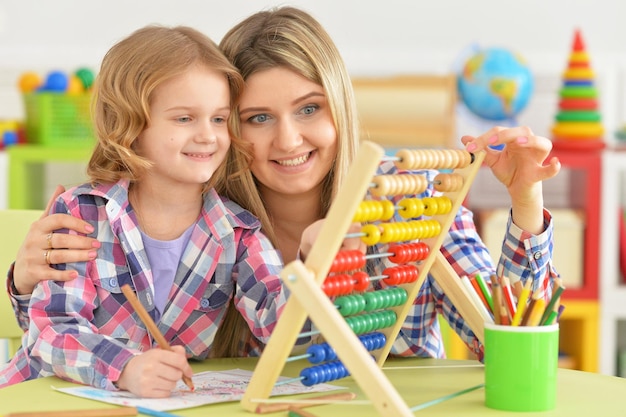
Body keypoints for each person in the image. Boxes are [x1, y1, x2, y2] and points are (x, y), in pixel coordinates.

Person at [6, 7, 560, 362]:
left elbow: (507, 339)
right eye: (257, 118)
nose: (289, 140)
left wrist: (525, 202)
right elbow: (110, 328)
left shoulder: (413, 202)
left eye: (309, 109)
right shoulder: (210, 223)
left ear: (338, 107)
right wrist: (25, 285)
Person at [0, 24, 311, 396]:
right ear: (130, 125)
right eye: (184, 118)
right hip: (42, 398)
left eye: (217, 118)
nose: (208, 136)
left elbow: (283, 326)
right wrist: (124, 368)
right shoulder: (82, 215)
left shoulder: (239, 233)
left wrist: (318, 265)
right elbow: (52, 329)